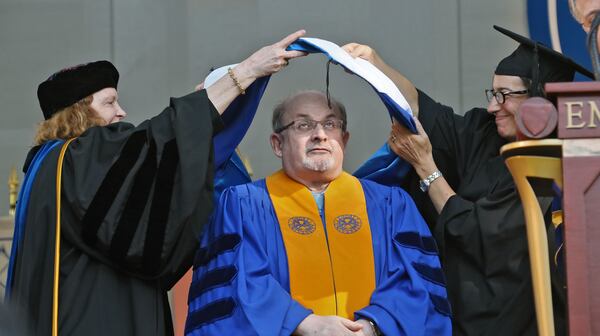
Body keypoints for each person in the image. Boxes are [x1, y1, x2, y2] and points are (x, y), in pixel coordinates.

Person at [6, 30, 307, 336]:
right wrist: (243, 74)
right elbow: (158, 144)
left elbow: (147, 170)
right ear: (78, 112)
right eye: (109, 102)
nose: (121, 112)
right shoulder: (77, 158)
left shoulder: (46, 165)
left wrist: (203, 110)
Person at [344, 26, 593, 335]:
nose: (493, 106)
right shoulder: (485, 130)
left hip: (515, 318)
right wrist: (375, 64)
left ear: (539, 99)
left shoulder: (548, 164)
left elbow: (475, 231)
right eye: (493, 93)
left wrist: (425, 167)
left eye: (504, 95)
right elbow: (423, 109)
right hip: (461, 310)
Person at [185, 90, 452, 336]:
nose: (320, 134)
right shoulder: (243, 206)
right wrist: (306, 323)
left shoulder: (391, 205)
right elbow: (238, 283)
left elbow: (416, 281)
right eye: (303, 125)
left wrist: (372, 325)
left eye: (331, 124)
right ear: (277, 144)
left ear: (344, 140)